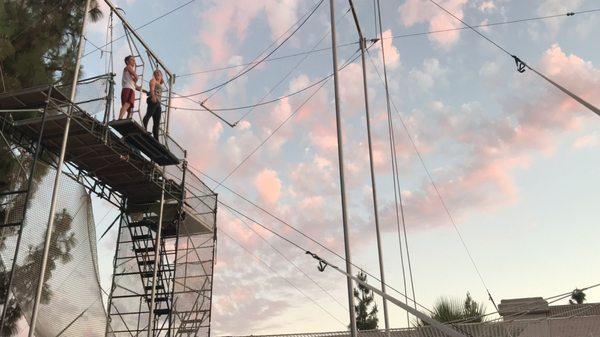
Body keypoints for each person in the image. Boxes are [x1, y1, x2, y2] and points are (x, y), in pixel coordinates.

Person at [142, 69, 164, 141]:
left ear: (161, 75)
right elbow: (152, 89)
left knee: (157, 122)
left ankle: (156, 138)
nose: (157, 74)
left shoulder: (160, 84)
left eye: (159, 73)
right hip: (153, 100)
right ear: (154, 75)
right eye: (156, 73)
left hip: (158, 102)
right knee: (149, 114)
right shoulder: (153, 80)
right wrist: (153, 96)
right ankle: (144, 129)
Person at [119, 55, 141, 119]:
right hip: (128, 88)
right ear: (127, 61)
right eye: (132, 60)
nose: (134, 62)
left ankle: (126, 118)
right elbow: (136, 77)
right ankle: (120, 118)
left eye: (134, 60)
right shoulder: (128, 67)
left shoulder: (129, 73)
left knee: (129, 107)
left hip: (128, 88)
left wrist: (145, 91)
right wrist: (136, 79)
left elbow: (136, 87)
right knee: (128, 103)